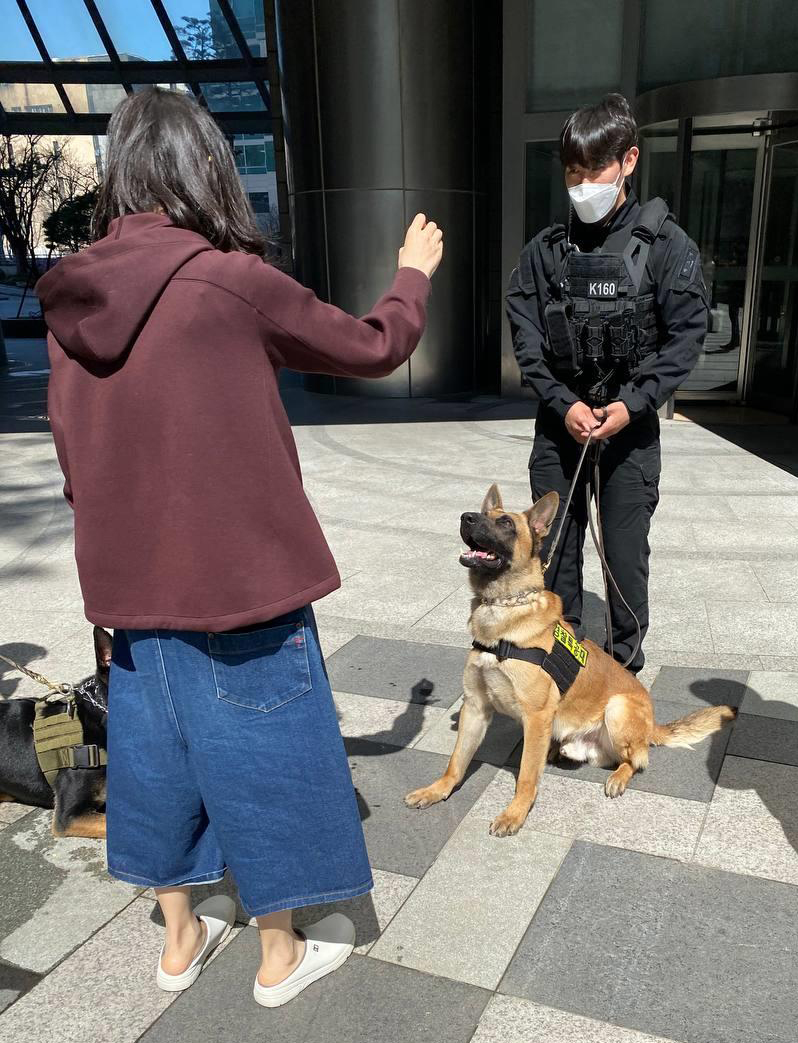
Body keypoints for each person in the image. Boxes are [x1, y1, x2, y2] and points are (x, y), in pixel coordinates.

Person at [37, 87, 443, 1007]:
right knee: (269, 753)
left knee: (158, 760)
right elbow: (374, 345)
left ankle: (179, 937)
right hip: (240, 583)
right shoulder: (229, 278)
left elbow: (73, 466)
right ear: (205, 169)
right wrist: (411, 273)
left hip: (128, 596)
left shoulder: (72, 307)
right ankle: (278, 954)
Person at [506, 93, 707, 675]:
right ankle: (563, 679)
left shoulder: (669, 248)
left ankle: (619, 682)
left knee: (623, 563)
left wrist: (632, 403)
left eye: (595, 168)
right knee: (555, 561)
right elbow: (525, 336)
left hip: (629, 430)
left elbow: (685, 337)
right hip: (560, 425)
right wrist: (562, 401)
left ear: (629, 161)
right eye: (573, 170)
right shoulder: (545, 253)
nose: (583, 182)